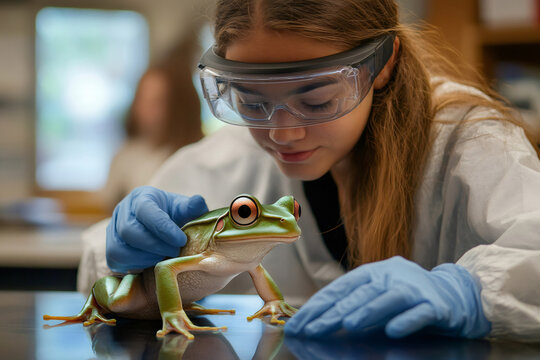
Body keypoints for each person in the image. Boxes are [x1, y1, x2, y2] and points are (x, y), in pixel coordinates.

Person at [79, 0, 540, 341]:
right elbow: (104, 272)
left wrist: (470, 291)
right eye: (251, 100)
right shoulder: (235, 154)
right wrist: (123, 250)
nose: (282, 132)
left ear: (383, 64)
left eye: (316, 100)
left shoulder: (467, 140)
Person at [99, 41, 204, 210]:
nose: (145, 110)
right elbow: (107, 207)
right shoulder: (125, 155)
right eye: (142, 99)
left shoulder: (192, 157)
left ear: (177, 108)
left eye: (157, 102)